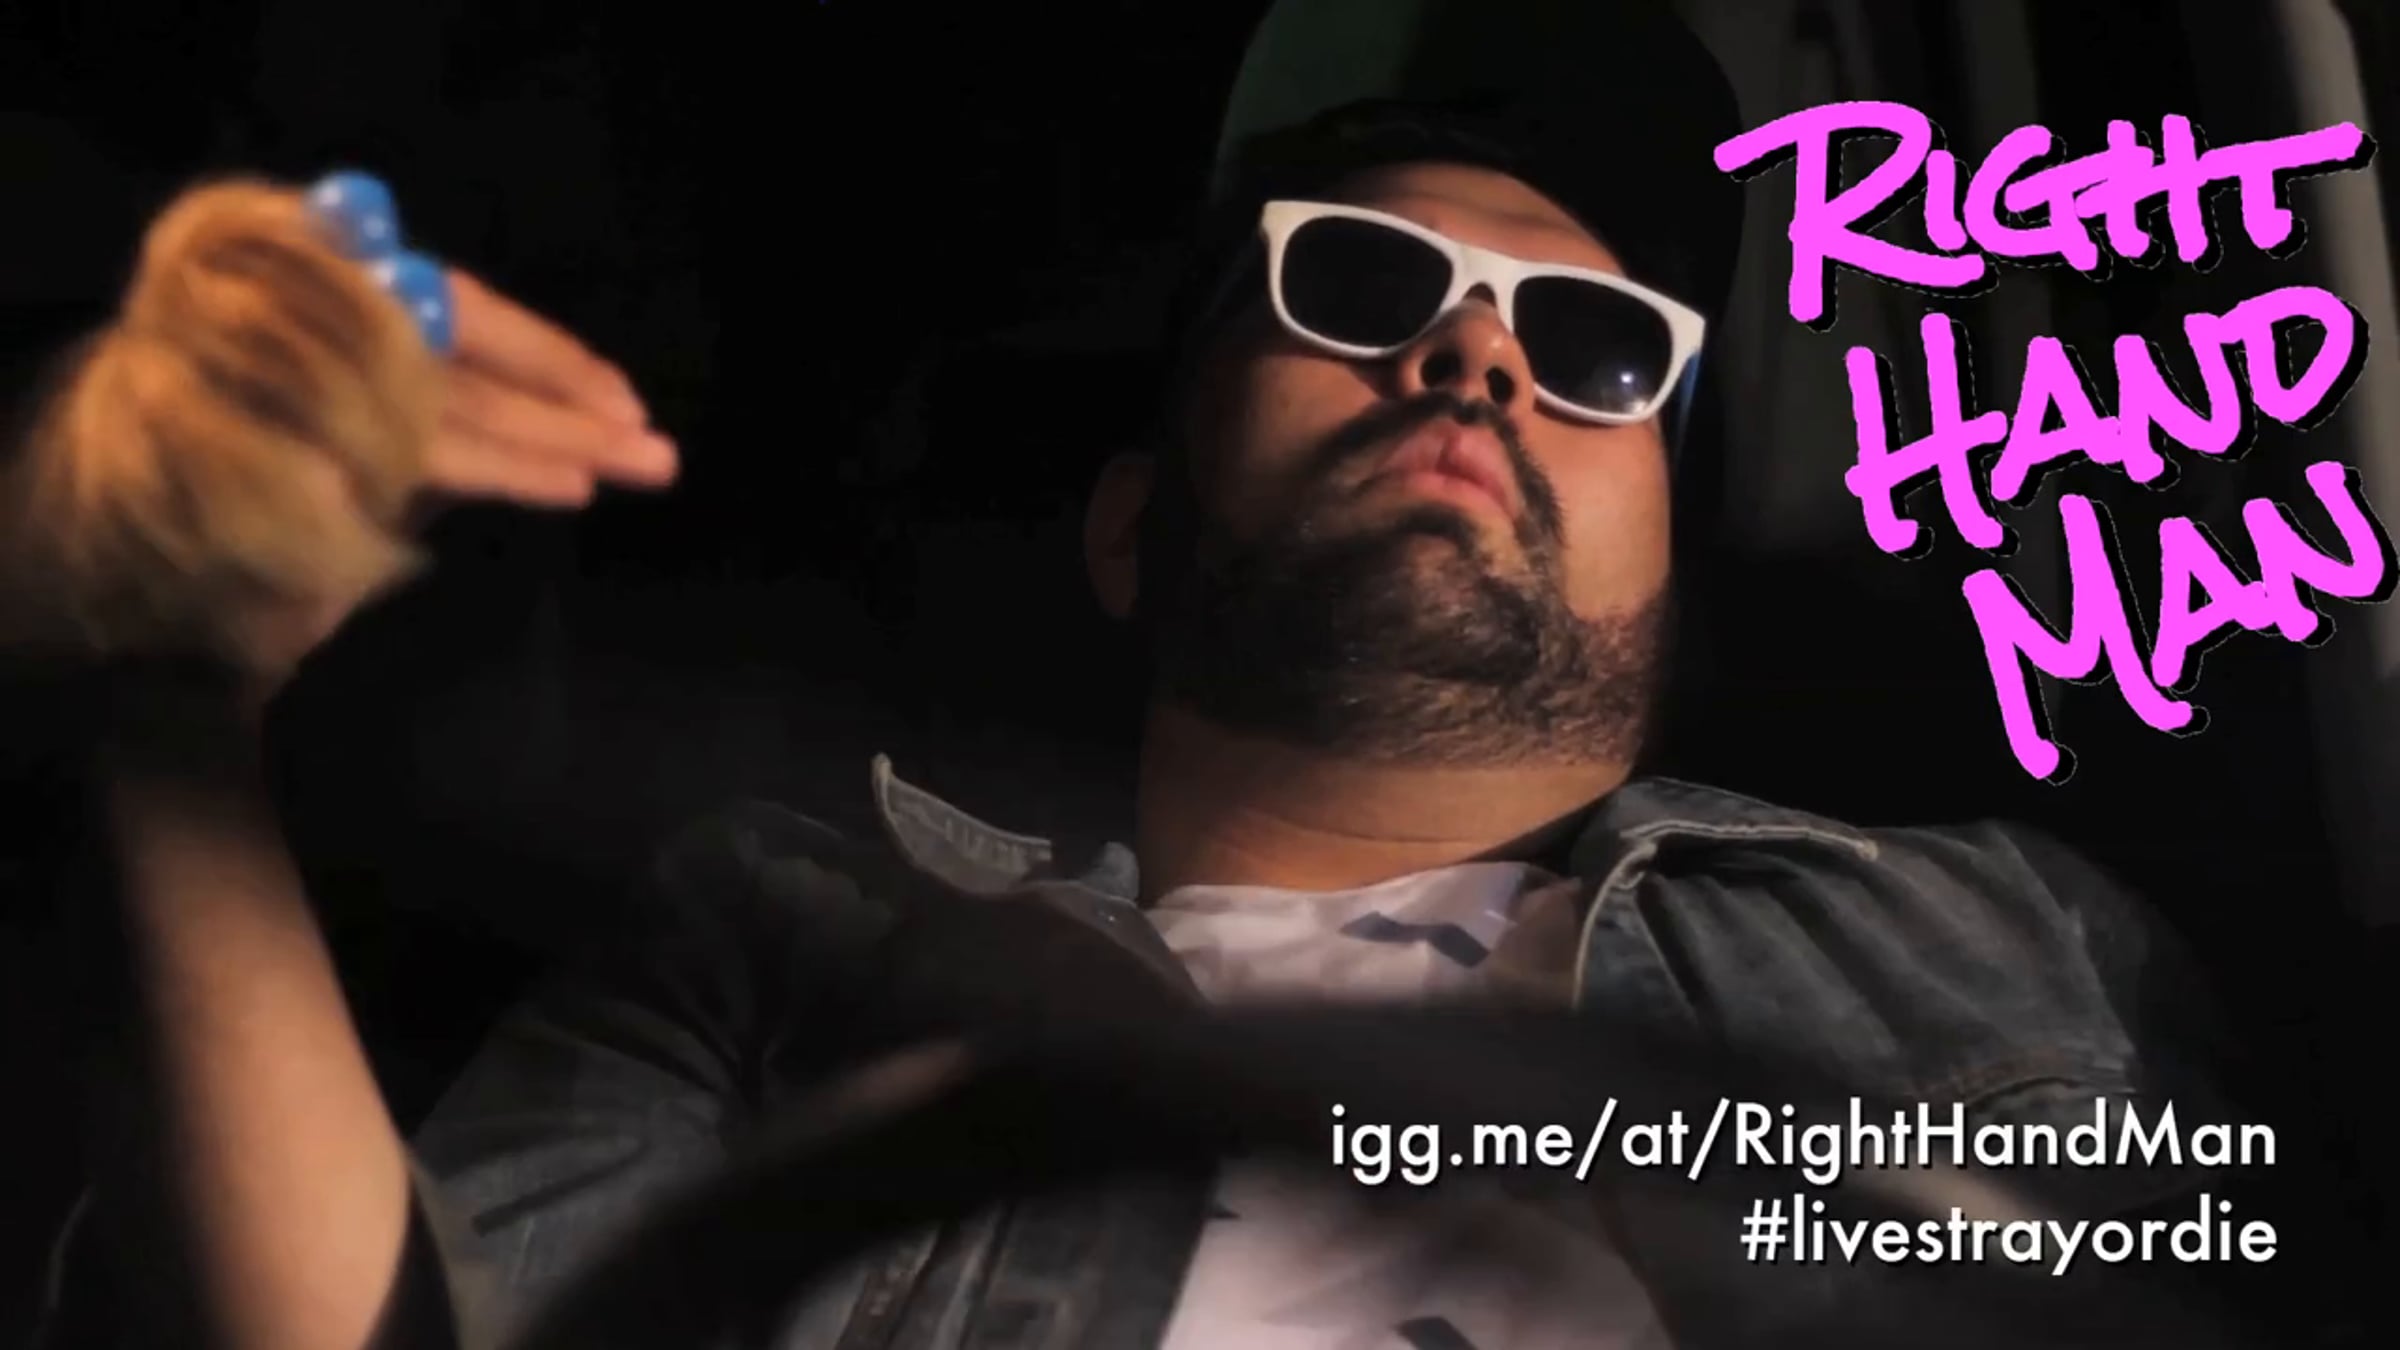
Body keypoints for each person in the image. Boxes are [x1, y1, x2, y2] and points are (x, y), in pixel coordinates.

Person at [14, 2, 2251, 1348]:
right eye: (1359, 280)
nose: (1474, 354)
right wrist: (168, 708)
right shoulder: (782, 939)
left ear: (1675, 584)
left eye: (1592, 345)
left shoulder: (2005, 934)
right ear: (1127, 521)